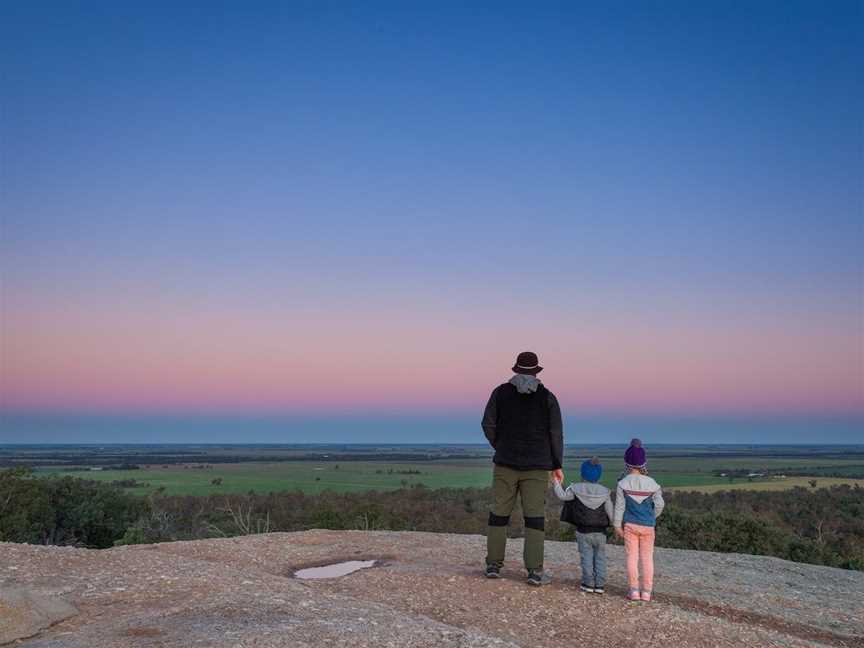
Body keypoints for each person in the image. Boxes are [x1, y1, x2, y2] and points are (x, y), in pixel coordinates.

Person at [481, 351, 564, 586]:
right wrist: (556, 464)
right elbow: (556, 434)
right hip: (538, 466)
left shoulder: (500, 393)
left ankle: (493, 565)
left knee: (499, 514)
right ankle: (535, 572)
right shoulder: (548, 398)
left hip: (505, 462)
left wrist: (501, 444)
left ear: (516, 370)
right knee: (535, 518)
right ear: (536, 372)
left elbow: (488, 424)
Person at [613, 439, 665, 602]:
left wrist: (616, 525)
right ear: (644, 462)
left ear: (626, 463)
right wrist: (651, 516)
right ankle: (647, 592)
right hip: (648, 526)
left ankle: (634, 591)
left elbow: (619, 507)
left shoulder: (622, 483)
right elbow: (660, 505)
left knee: (632, 557)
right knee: (647, 558)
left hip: (630, 525)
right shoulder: (653, 484)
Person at [553, 456, 613, 593]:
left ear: (582, 474)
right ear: (599, 475)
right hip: (601, 533)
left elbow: (562, 496)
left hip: (583, 532)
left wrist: (556, 481)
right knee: (600, 557)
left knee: (586, 557)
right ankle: (600, 585)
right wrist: (617, 525)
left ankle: (588, 583)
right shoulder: (605, 492)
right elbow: (610, 512)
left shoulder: (575, 489)